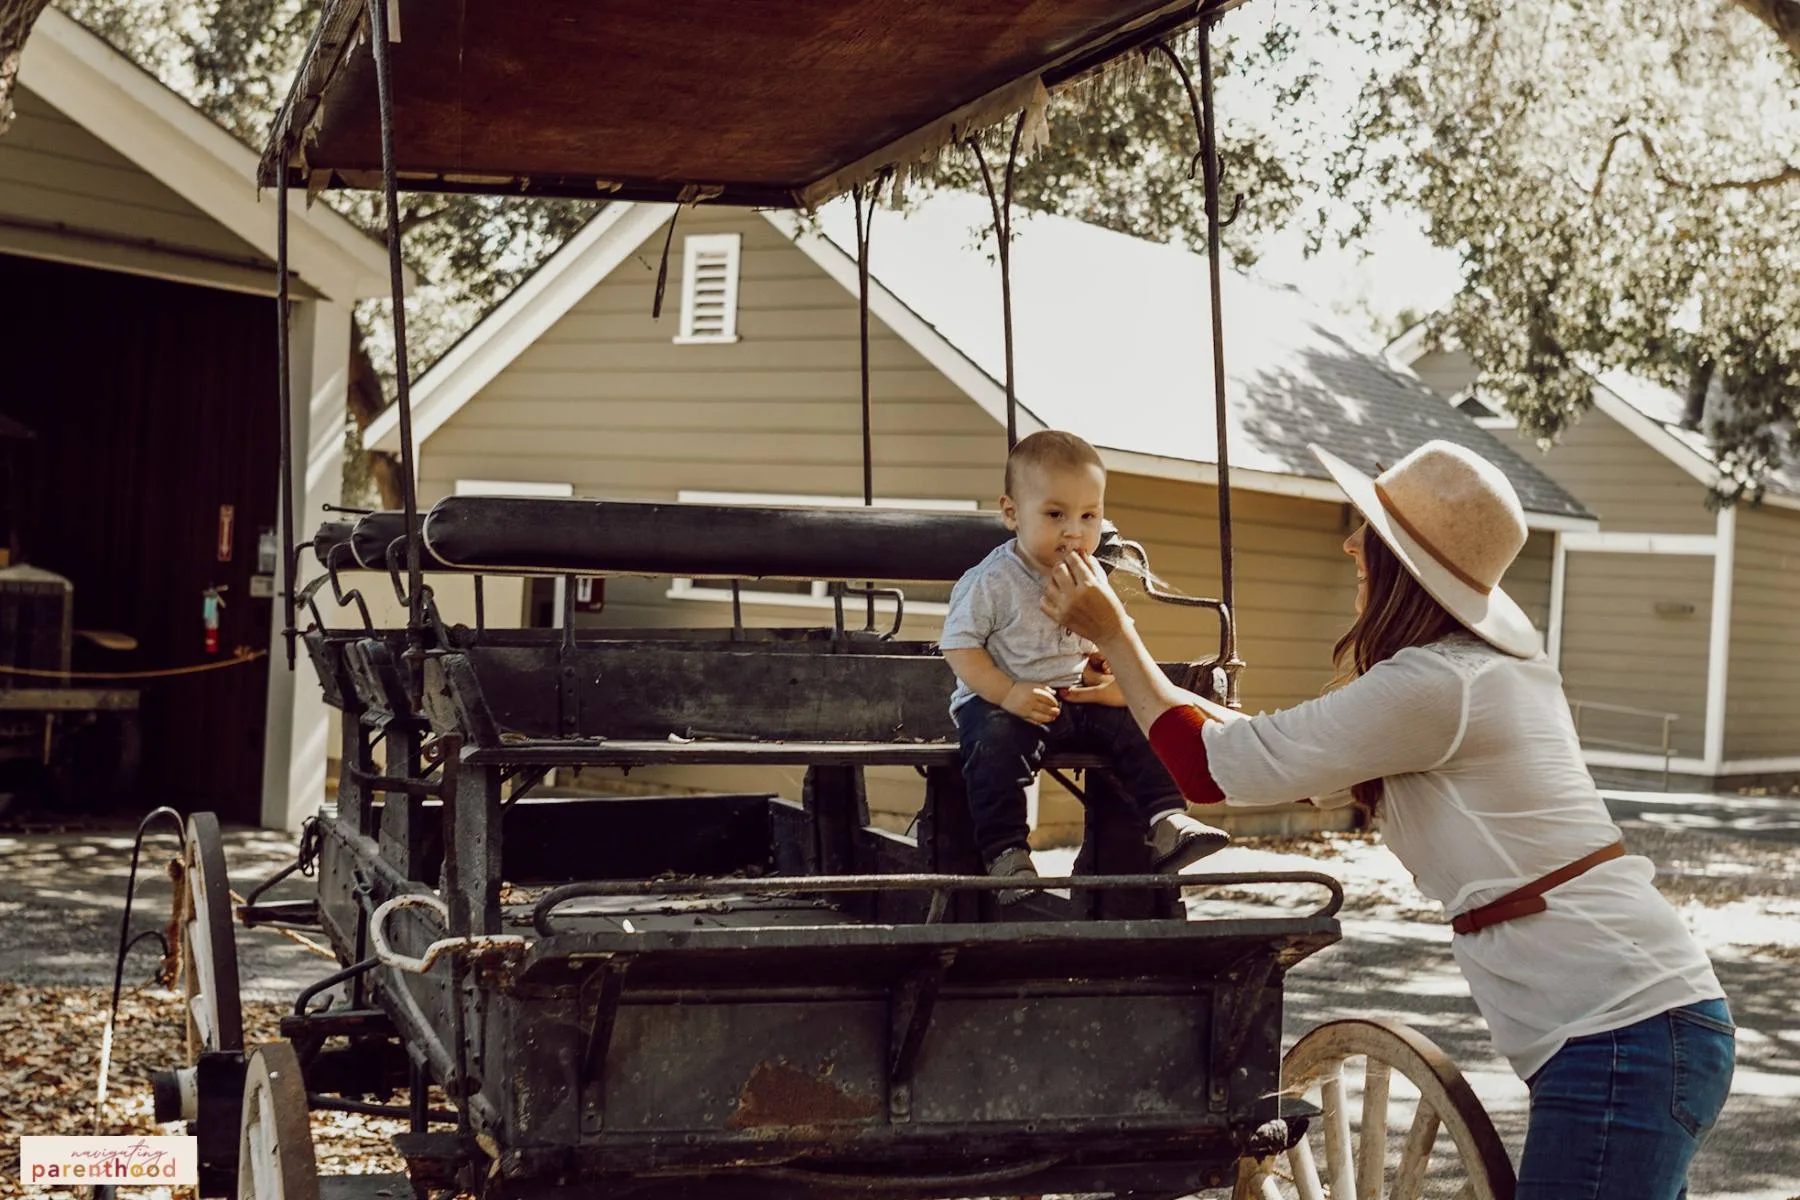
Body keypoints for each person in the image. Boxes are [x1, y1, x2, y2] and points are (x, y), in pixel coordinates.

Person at [1040, 438, 1734, 1199]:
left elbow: (1216, 771)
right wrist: (1145, 698)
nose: (1349, 544)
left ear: (1404, 564)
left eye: (1368, 532)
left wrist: (1116, 633)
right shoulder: (1471, 675)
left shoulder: (1437, 685)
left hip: (1621, 1033)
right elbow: (1288, 756)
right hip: (1640, 1023)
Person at [940, 430, 1230, 901]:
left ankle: (1167, 820)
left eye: (1089, 515)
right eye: (1055, 515)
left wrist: (1098, 662)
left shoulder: (1089, 573)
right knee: (992, 743)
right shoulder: (991, 580)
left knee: (1141, 719)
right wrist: (1007, 691)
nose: (1075, 530)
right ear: (1012, 513)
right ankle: (1007, 855)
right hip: (1007, 701)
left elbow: (1099, 634)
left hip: (1076, 695)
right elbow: (961, 648)